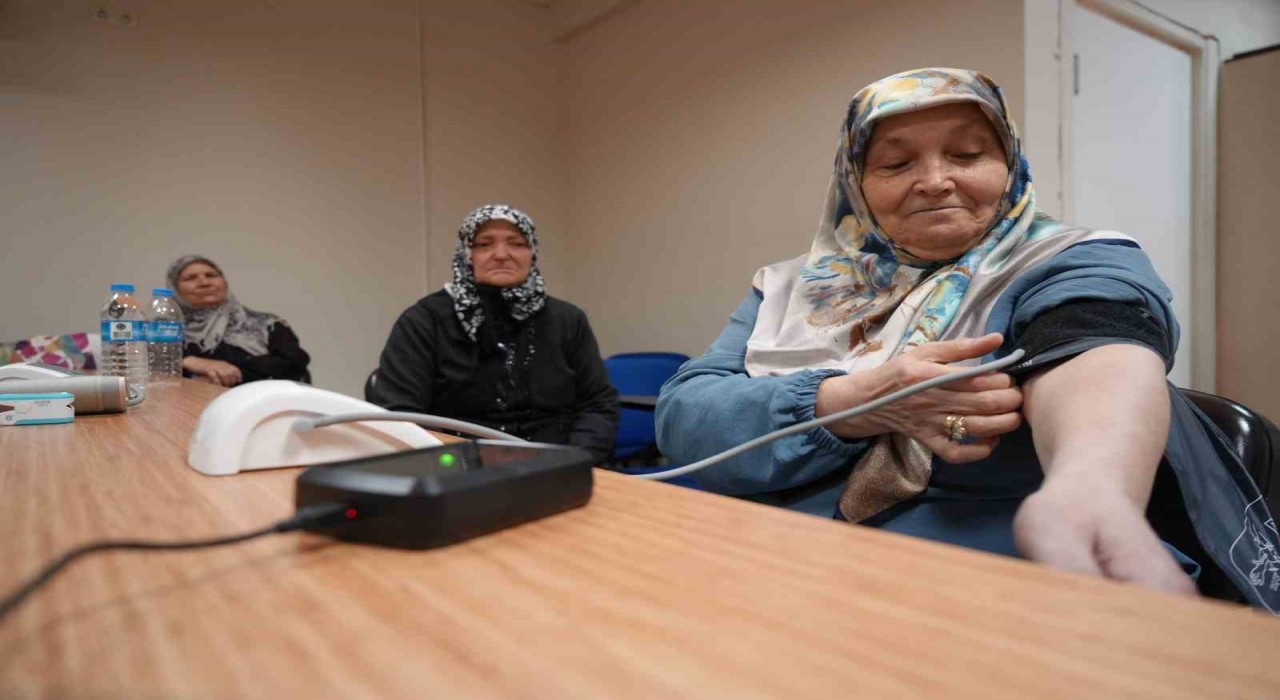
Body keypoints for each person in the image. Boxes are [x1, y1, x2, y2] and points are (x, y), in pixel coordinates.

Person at [656, 67, 1280, 607]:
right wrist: (857, 399)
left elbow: (1096, 344)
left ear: (1009, 165)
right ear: (855, 183)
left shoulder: (1072, 260)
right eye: (895, 163)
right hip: (767, 552)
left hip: (981, 564)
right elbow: (686, 418)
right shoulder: (792, 287)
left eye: (967, 154)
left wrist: (1091, 486)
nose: (933, 180)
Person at [368, 203, 619, 465]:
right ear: (466, 254)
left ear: (532, 253)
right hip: (458, 471)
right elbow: (399, 415)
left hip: (562, 467)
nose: (501, 254)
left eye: (517, 243)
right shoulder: (424, 321)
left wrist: (576, 460)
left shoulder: (568, 320)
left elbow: (598, 404)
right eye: (484, 244)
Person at [166, 255, 311, 386]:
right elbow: (155, 365)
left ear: (224, 282)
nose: (204, 282)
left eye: (211, 275)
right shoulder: (165, 329)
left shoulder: (266, 324)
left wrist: (234, 372)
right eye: (190, 278)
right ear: (174, 289)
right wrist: (190, 361)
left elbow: (294, 361)